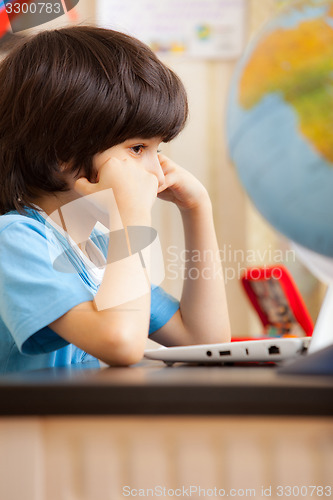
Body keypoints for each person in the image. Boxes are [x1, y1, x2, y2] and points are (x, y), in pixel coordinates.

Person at [0, 26, 231, 373]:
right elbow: (120, 343)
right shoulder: (14, 239)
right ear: (64, 154)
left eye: (158, 149)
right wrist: (130, 217)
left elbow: (205, 341)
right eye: (138, 149)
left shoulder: (96, 248)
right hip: (33, 428)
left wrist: (198, 210)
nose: (157, 172)